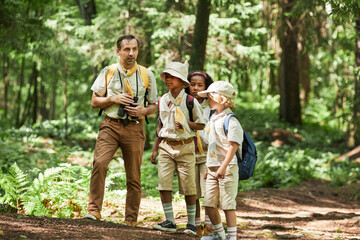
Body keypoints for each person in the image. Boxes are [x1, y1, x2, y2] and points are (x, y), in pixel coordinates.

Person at [84, 35, 158, 226]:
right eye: (126, 49)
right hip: (110, 125)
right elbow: (94, 101)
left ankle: (130, 220)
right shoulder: (108, 71)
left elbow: (153, 106)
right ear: (118, 51)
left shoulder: (146, 74)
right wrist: (113, 99)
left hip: (135, 127)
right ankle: (94, 211)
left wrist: (143, 110)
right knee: (99, 163)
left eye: (134, 49)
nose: (131, 53)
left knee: (133, 176)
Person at [150, 62, 205, 235]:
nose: (168, 79)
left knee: (189, 186)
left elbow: (201, 124)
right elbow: (161, 125)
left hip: (185, 146)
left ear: (182, 81)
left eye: (172, 76)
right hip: (166, 146)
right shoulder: (163, 100)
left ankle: (190, 224)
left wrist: (185, 123)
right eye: (166, 76)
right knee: (163, 183)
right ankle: (170, 221)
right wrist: (155, 148)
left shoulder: (190, 101)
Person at [197, 81, 242, 240]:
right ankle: (219, 234)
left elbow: (233, 146)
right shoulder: (213, 118)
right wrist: (209, 168)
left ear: (222, 99)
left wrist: (223, 167)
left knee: (228, 205)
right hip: (212, 167)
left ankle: (232, 237)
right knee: (209, 203)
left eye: (210, 97)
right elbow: (211, 147)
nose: (208, 100)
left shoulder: (231, 120)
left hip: (227, 167)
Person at [185, 72, 214, 236]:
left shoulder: (211, 105)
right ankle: (196, 225)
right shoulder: (184, 102)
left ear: (206, 87)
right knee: (192, 190)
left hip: (208, 154)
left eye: (200, 85)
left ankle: (210, 225)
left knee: (209, 190)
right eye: (192, 84)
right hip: (188, 152)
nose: (195, 88)